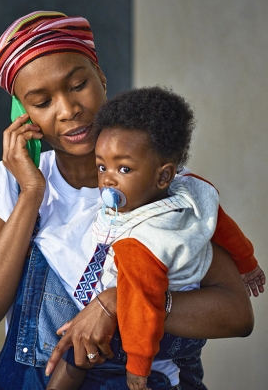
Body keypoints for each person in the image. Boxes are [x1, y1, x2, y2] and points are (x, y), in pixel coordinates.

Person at [0, 11, 258, 390]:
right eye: (42, 101)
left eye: (78, 85)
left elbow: (236, 314)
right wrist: (32, 194)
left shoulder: (161, 191)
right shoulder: (10, 186)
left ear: (101, 77)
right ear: (24, 114)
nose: (67, 110)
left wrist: (121, 302)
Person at [46, 87, 226, 390]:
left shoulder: (149, 237)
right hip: (117, 349)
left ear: (164, 176)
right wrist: (248, 265)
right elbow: (222, 222)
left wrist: (138, 369)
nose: (108, 179)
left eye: (124, 168)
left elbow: (142, 307)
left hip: (144, 365)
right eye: (102, 166)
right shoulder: (174, 201)